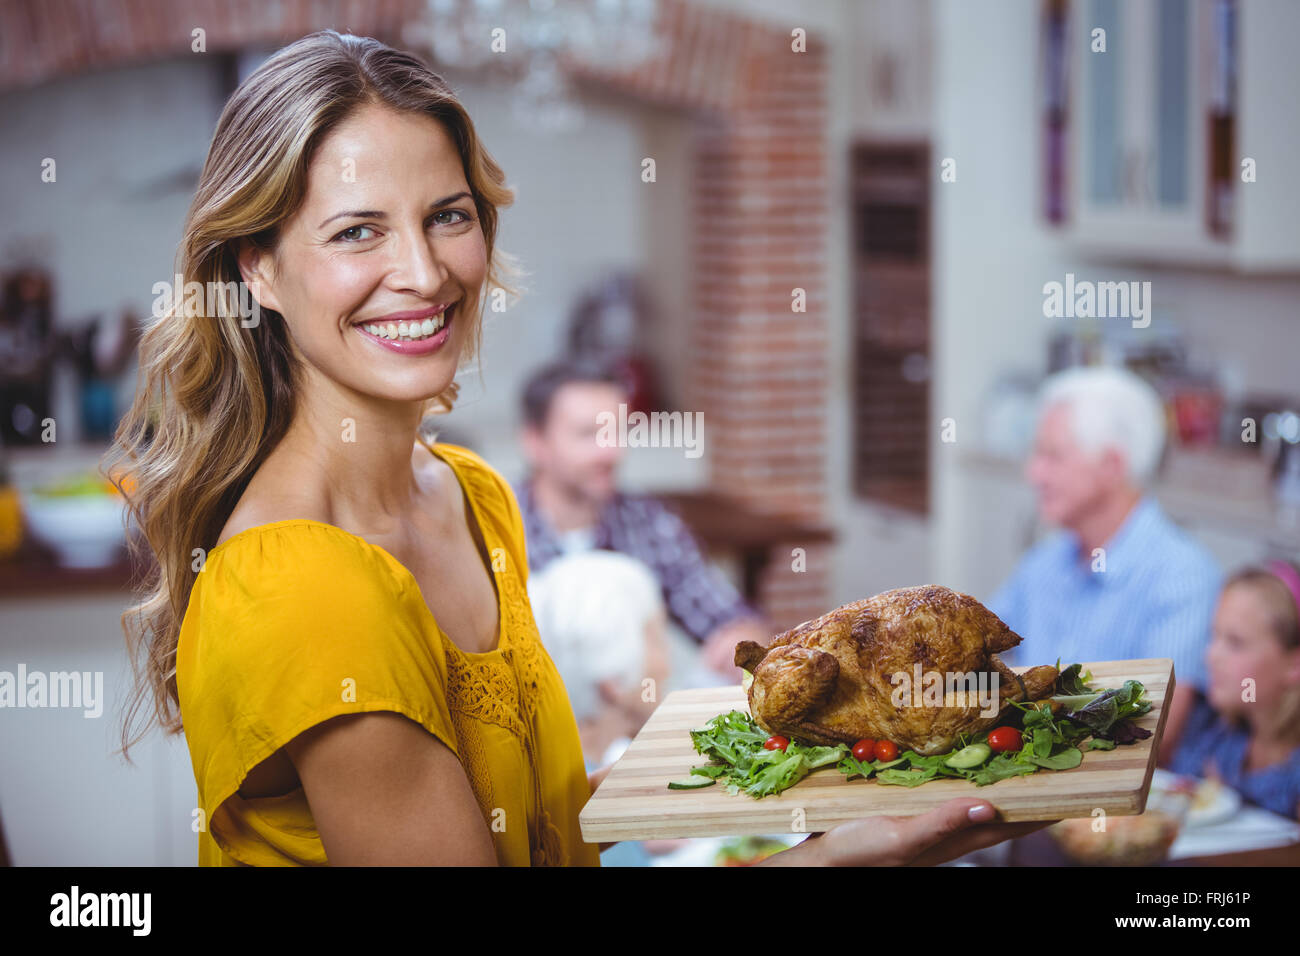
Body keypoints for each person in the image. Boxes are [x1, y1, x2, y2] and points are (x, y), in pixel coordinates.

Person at [107, 30, 1049, 866]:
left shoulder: (470, 497)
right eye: (358, 231)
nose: (426, 273)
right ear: (258, 269)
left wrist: (821, 797)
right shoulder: (301, 583)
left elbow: (533, 832)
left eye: (449, 214)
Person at [988, 366, 1221, 766]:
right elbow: (985, 661)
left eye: (1052, 455)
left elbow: (1153, 740)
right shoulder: (1045, 561)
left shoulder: (1183, 577)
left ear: (1112, 464)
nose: (1034, 472)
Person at [516, 358, 768, 677]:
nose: (611, 451)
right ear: (535, 442)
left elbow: (727, 619)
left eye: (617, 430)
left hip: (634, 720)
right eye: (588, 434)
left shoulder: (648, 522)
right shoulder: (491, 525)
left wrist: (742, 637)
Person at [1166, 561, 1300, 820]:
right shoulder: (1213, 734)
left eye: (1235, 643)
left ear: (1294, 665)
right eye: (1214, 636)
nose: (1211, 656)